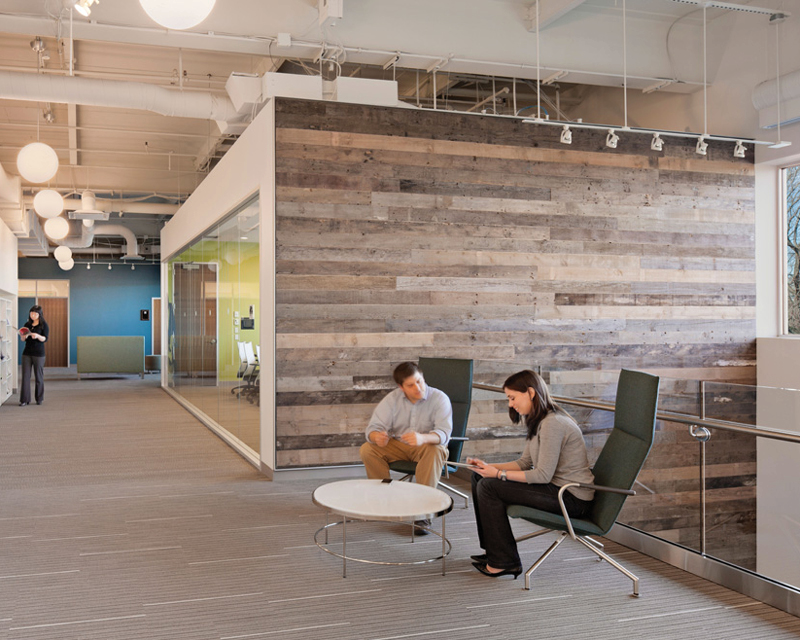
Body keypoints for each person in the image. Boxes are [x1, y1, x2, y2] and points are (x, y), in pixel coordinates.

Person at [466, 369, 595, 578]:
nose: (510, 404)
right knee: (480, 477)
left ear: (531, 393)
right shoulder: (539, 420)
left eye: (512, 397)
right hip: (555, 489)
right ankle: (494, 551)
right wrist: (488, 468)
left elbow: (542, 475)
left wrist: (498, 475)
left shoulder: (553, 423)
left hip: (571, 498)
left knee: (489, 485)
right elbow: (525, 462)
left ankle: (504, 562)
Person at [360, 361, 453, 533]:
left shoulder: (440, 398)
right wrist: (377, 437)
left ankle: (423, 513)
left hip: (427, 446)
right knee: (368, 448)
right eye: (411, 385)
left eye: (419, 381)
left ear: (423, 377)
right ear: (401, 387)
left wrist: (422, 438)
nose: (418, 388)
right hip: (399, 446)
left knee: (435, 449)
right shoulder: (392, 400)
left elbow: (444, 434)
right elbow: (372, 429)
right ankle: (384, 499)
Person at [19, 304, 49, 407]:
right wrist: (22, 335)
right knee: (25, 377)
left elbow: (45, 338)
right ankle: (24, 400)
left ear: (39, 314)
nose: (33, 315)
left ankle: (39, 398)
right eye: (31, 313)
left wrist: (37, 336)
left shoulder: (44, 325)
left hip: (39, 354)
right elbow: (23, 339)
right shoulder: (27, 324)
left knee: (39, 377)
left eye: (35, 313)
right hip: (27, 353)